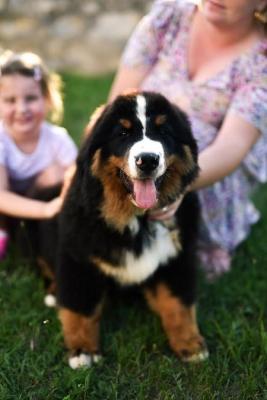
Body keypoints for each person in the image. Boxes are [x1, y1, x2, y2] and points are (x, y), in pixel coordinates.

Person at [108, 0, 267, 280]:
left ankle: (204, 240)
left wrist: (179, 181)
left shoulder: (262, 61)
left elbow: (230, 147)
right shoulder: (168, 16)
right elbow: (119, 101)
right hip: (139, 144)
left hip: (207, 171)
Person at [0, 51, 78, 260]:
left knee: (57, 174)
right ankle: (4, 231)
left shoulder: (57, 139)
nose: (21, 108)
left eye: (31, 98)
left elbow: (79, 179)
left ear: (47, 99)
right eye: (10, 100)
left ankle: (33, 231)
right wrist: (45, 209)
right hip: (7, 207)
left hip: (37, 204)